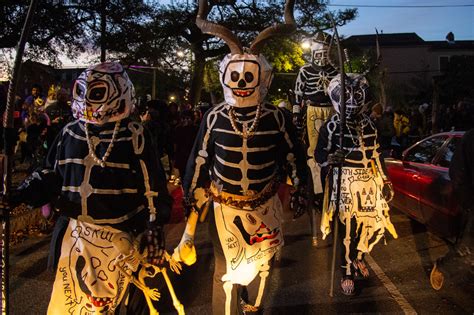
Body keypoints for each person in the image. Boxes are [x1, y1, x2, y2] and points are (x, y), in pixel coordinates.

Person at [172, 1, 308, 314]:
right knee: (224, 273)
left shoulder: (276, 117)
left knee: (261, 266)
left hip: (265, 206)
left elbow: (294, 156)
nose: (243, 83)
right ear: (226, 76)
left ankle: (252, 306)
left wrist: (302, 187)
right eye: (237, 76)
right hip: (224, 209)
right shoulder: (214, 116)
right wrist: (192, 195)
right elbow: (199, 159)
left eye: (249, 76)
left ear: (262, 76)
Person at [15, 62, 178, 314]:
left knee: (134, 305)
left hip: (125, 240)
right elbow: (48, 175)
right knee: (74, 303)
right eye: (83, 91)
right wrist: (18, 195)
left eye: (97, 92)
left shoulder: (135, 135)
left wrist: (154, 227)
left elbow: (153, 188)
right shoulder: (69, 133)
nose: (89, 100)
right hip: (75, 237)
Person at [315, 73, 398, 296]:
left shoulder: (370, 125)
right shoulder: (330, 127)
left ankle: (359, 257)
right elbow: (319, 154)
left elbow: (376, 154)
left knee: (368, 225)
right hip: (343, 183)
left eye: (357, 95)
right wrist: (331, 160)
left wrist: (385, 180)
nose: (352, 101)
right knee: (346, 230)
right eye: (346, 95)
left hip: (368, 182)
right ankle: (346, 271)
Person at [293, 31, 338, 202]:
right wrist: (296, 113)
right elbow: (298, 92)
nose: (321, 57)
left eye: (324, 53)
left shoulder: (336, 69)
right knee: (315, 148)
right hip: (313, 110)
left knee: (333, 144)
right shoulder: (305, 70)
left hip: (333, 110)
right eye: (318, 54)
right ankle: (318, 187)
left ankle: (334, 182)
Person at [430, 128, 474, 290]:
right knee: (467, 250)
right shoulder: (470, 139)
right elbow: (458, 171)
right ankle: (444, 266)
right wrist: (468, 202)